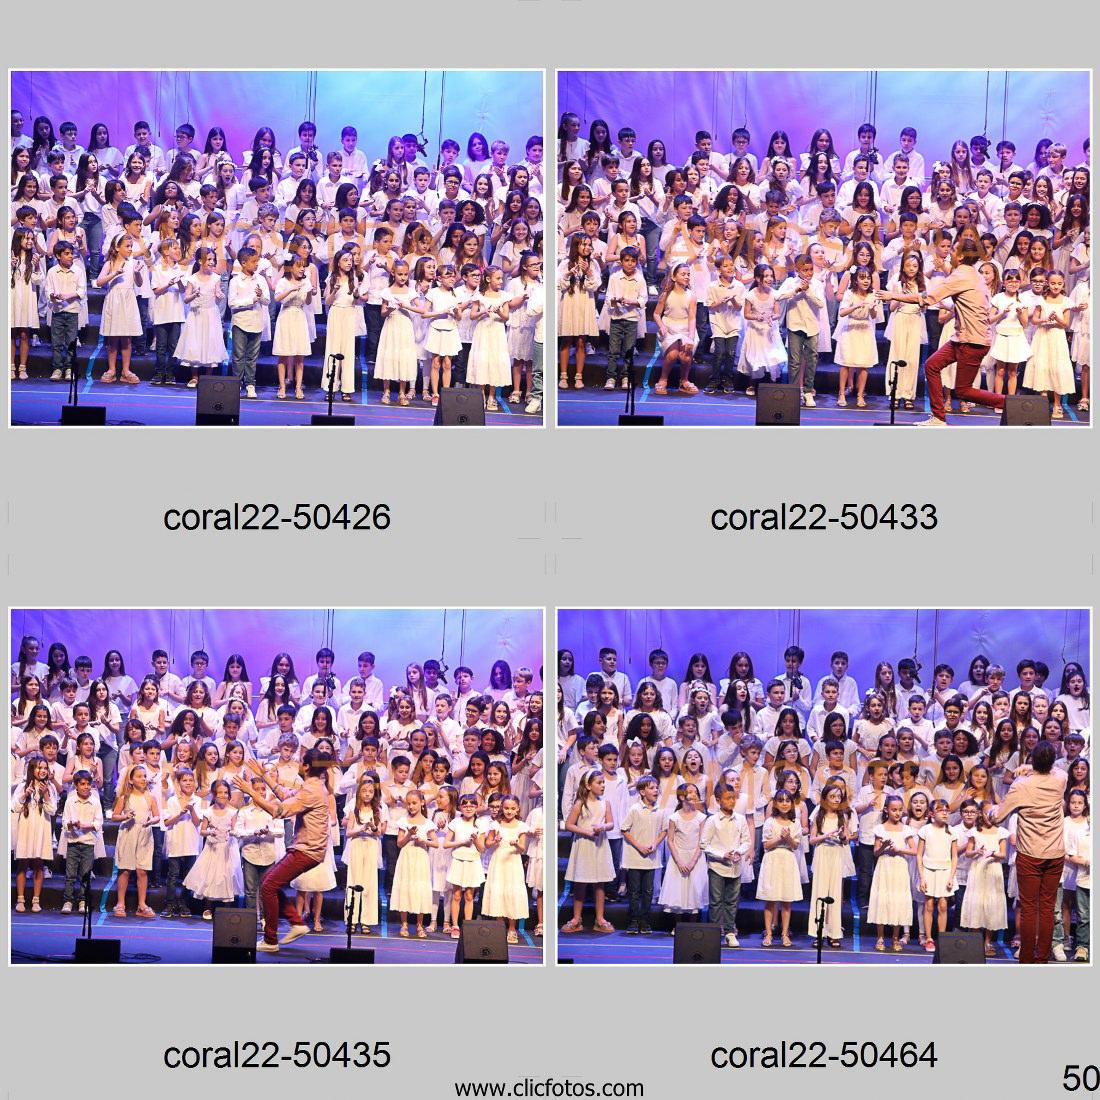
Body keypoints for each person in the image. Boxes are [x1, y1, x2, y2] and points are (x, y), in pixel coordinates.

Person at [235, 749, 337, 952]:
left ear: (306, 767)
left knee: (268, 886)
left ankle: (271, 940)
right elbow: (286, 795)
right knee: (269, 882)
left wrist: (250, 791)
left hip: (308, 849)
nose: (298, 764)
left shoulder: (312, 790)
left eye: (301, 761)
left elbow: (278, 811)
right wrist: (264, 775)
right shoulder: (312, 785)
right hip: (305, 847)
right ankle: (296, 922)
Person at [989, 741, 1067, 963]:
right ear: (1052, 761)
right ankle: (1041, 959)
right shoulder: (1060, 779)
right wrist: (1031, 768)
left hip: (1030, 853)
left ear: (1032, 759)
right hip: (1055, 853)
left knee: (1029, 907)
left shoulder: (1021, 785)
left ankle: (1026, 960)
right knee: (1047, 908)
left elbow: (997, 817)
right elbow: (1055, 770)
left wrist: (990, 811)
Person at [918, 238, 1005, 426]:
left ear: (961, 256)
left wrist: (892, 295)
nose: (950, 252)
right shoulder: (970, 273)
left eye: (954, 250)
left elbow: (928, 298)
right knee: (932, 365)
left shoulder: (962, 275)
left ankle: (1009, 403)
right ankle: (938, 417)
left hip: (973, 341)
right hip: (961, 338)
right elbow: (961, 292)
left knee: (963, 391)